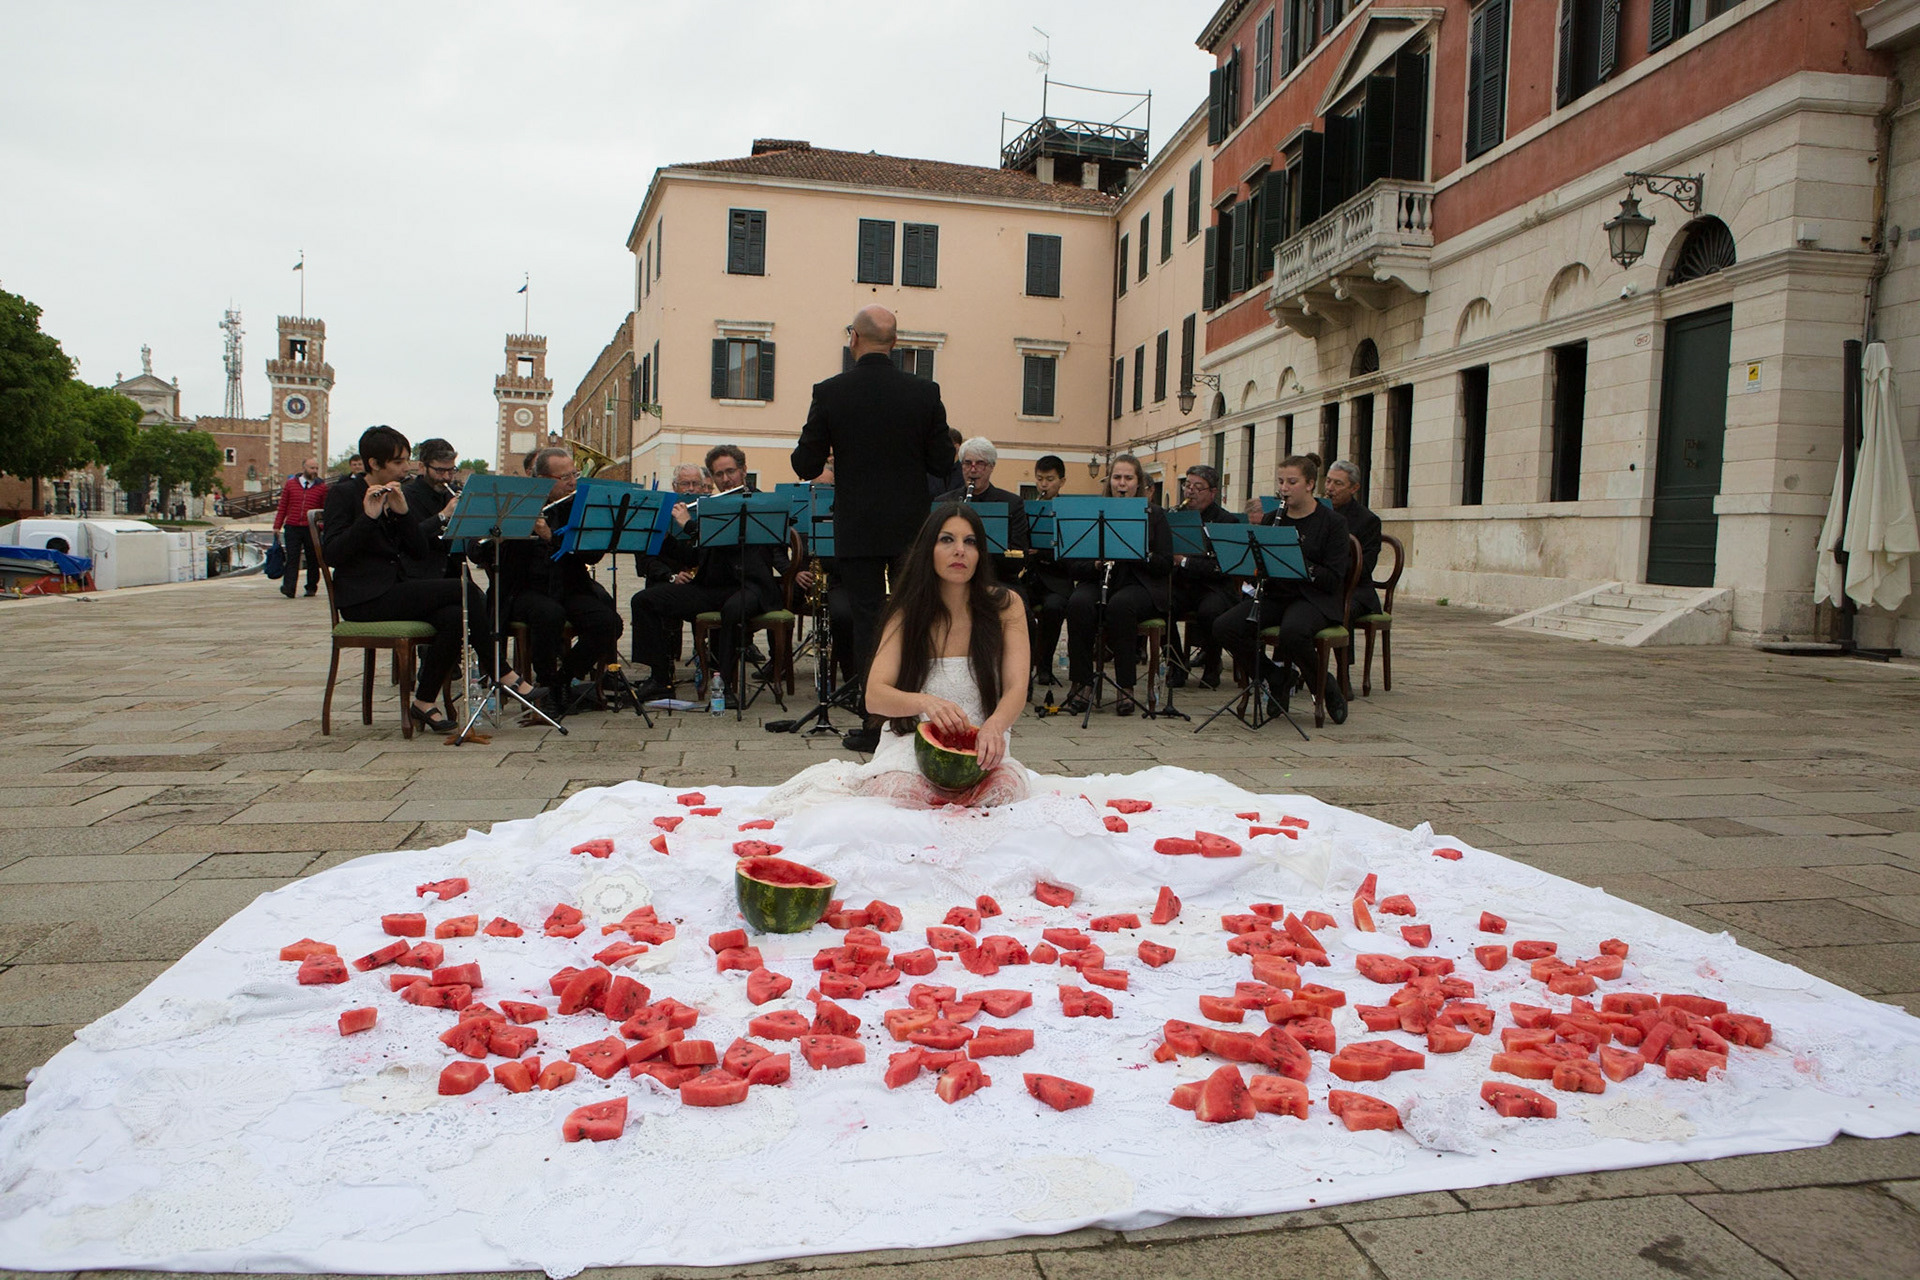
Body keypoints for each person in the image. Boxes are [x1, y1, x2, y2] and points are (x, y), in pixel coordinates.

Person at [791, 305, 956, 753]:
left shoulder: (831, 392)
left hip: (858, 525)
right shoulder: (924, 392)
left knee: (867, 622)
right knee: (916, 616)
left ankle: (875, 721)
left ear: (854, 339)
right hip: (910, 526)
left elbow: (805, 463)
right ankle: (921, 715)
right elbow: (943, 462)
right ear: (895, 342)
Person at [320, 425, 540, 734]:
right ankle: (500, 671)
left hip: (394, 588)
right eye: (398, 462)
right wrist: (368, 519)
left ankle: (423, 702)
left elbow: (418, 549)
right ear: (374, 463)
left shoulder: (395, 492)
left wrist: (401, 513)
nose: (405, 468)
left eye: (406, 460)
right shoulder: (344, 494)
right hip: (363, 597)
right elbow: (333, 554)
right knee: (465, 589)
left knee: (453, 616)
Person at [858, 503, 1030, 808]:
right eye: (947, 539)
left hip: (983, 746)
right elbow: (874, 695)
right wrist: (926, 702)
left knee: (1005, 794)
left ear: (980, 554)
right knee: (900, 797)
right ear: (929, 549)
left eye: (970, 542)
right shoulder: (906, 613)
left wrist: (995, 725)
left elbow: (1017, 686)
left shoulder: (1007, 606)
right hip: (911, 744)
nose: (960, 550)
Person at [628, 445, 783, 701]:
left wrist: (689, 524)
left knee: (732, 611)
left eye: (730, 471)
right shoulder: (712, 504)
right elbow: (695, 557)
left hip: (751, 587)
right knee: (644, 601)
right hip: (711, 588)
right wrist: (664, 538)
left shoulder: (757, 503)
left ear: (743, 470)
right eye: (718, 474)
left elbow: (740, 546)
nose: (725, 479)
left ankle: (726, 687)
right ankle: (660, 679)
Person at [1213, 454, 1352, 723]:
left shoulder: (1333, 523)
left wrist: (1298, 562)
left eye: (1292, 481)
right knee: (1225, 626)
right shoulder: (1271, 519)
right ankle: (1276, 676)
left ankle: (1325, 686)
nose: (1284, 488)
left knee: (1293, 632)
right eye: (1281, 482)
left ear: (1310, 484)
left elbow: (1334, 578)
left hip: (1314, 599)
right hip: (1277, 595)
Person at [500, 447, 624, 707]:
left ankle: (563, 680)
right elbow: (481, 552)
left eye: (574, 474)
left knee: (608, 622)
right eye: (564, 477)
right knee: (549, 614)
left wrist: (550, 536)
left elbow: (592, 556)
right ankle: (545, 683)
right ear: (543, 480)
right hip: (526, 590)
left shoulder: (576, 507)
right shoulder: (517, 503)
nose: (573, 482)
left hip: (568, 585)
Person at [1061, 454, 1171, 717]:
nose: (1122, 484)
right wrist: (1096, 564)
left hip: (1139, 584)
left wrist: (1138, 552)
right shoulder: (1093, 512)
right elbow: (1073, 564)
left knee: (1121, 606)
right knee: (1078, 603)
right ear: (1110, 481)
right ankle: (1082, 683)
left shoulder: (1155, 515)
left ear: (1139, 483)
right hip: (1099, 578)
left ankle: (1126, 686)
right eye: (1117, 478)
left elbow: (1165, 563)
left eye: (1128, 478)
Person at [1166, 464, 1241, 690]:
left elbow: (1222, 566)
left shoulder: (1226, 521)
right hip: (1182, 584)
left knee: (1210, 612)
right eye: (1188, 486)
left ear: (1213, 492)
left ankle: (1212, 664)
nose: (1191, 491)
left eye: (1198, 487)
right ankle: (1176, 663)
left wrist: (1184, 561)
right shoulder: (1174, 516)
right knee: (1160, 603)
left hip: (1214, 587)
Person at [937, 437, 1029, 598]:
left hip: (998, 580)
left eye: (980, 463)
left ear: (992, 467)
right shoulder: (943, 502)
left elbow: (1019, 557)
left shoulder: (1012, 503)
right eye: (967, 463)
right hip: (952, 579)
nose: (973, 470)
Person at [1024, 454, 1070, 686]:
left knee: (1054, 608)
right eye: (1040, 479)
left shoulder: (1068, 513)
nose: (1043, 484)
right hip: (1028, 578)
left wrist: (1042, 553)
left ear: (1061, 481)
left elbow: (1071, 554)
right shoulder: (1025, 510)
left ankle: (1044, 665)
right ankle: (1022, 666)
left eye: (1049, 479)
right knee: (1018, 608)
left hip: (1057, 578)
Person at [1324, 459, 1383, 617]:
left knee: (1338, 608)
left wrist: (1329, 568)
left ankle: (1342, 642)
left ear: (1354, 488)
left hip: (1353, 590)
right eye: (1328, 481)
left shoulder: (1368, 521)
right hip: (1318, 585)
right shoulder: (1316, 511)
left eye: (1338, 483)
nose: (1330, 488)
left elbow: (1365, 566)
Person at [402, 438, 464, 579]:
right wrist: (443, 515)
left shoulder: (455, 492)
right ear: (422, 467)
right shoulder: (407, 495)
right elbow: (410, 537)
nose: (447, 477)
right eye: (440, 470)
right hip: (421, 574)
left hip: (455, 571)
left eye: (451, 470)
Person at [272, 456, 326, 598]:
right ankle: (289, 587)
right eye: (311, 468)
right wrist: (277, 525)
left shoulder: (322, 487)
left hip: (311, 527)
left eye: (316, 468)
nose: (314, 471)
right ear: (304, 468)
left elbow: (323, 508)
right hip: (292, 526)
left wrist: (321, 526)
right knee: (292, 558)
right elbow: (283, 506)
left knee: (312, 558)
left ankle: (311, 587)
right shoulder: (291, 485)